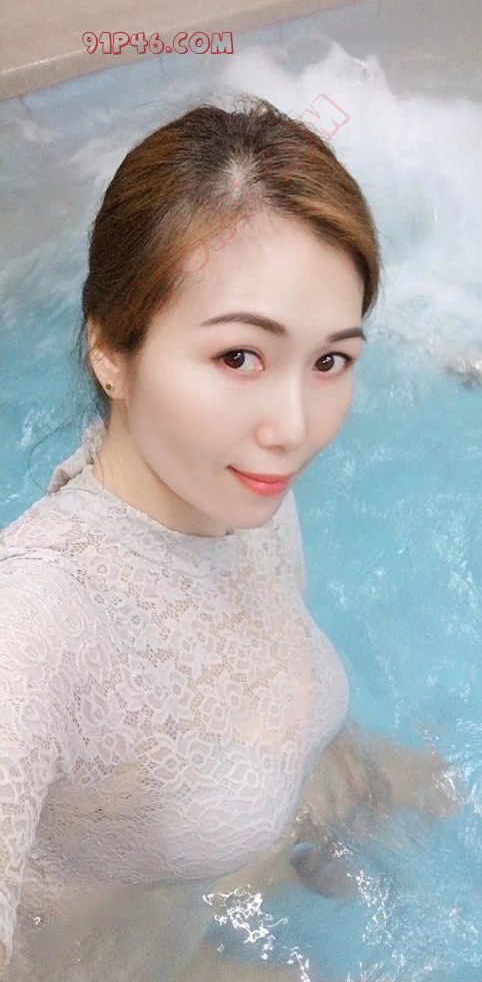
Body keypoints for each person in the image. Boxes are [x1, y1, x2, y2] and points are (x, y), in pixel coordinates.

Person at [0, 95, 464, 982]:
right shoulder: (33, 626)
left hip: (243, 851)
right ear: (111, 351)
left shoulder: (240, 494)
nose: (294, 427)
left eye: (329, 360)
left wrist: (345, 787)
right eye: (239, 357)